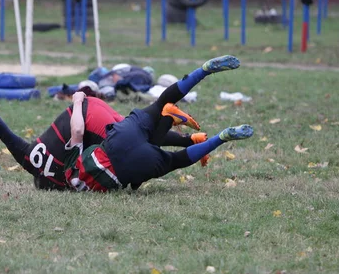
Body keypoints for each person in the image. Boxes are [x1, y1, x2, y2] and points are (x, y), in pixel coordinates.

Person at [63, 55, 254, 192]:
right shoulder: (71, 167)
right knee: (158, 105)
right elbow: (78, 130)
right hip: (119, 139)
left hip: (132, 168)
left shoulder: (71, 180)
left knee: (176, 160)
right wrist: (78, 100)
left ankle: (221, 138)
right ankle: (202, 72)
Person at [0, 92, 206, 190]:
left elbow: (76, 133)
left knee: (134, 147)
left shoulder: (67, 175)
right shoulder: (29, 159)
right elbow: (8, 139)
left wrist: (76, 101)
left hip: (85, 117)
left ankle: (168, 117)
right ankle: (191, 140)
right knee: (133, 135)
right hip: (91, 111)